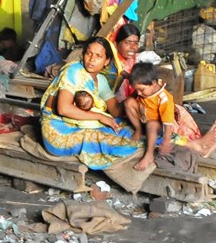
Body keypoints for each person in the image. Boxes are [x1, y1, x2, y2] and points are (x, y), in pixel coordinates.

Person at [38, 38, 143, 167]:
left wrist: (136, 92)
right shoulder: (73, 71)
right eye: (89, 53)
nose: (92, 59)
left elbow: (115, 111)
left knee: (126, 130)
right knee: (115, 142)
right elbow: (63, 109)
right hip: (58, 129)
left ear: (106, 61)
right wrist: (100, 116)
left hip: (80, 125)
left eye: (98, 56)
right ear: (83, 54)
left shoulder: (101, 80)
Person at [122, 59, 216, 167]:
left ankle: (149, 155)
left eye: (141, 90)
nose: (138, 93)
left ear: (153, 83)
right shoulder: (145, 86)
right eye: (137, 90)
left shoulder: (164, 99)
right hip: (144, 119)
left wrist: (166, 140)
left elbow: (167, 123)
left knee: (152, 125)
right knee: (128, 102)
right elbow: (136, 86)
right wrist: (127, 75)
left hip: (161, 126)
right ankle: (201, 146)